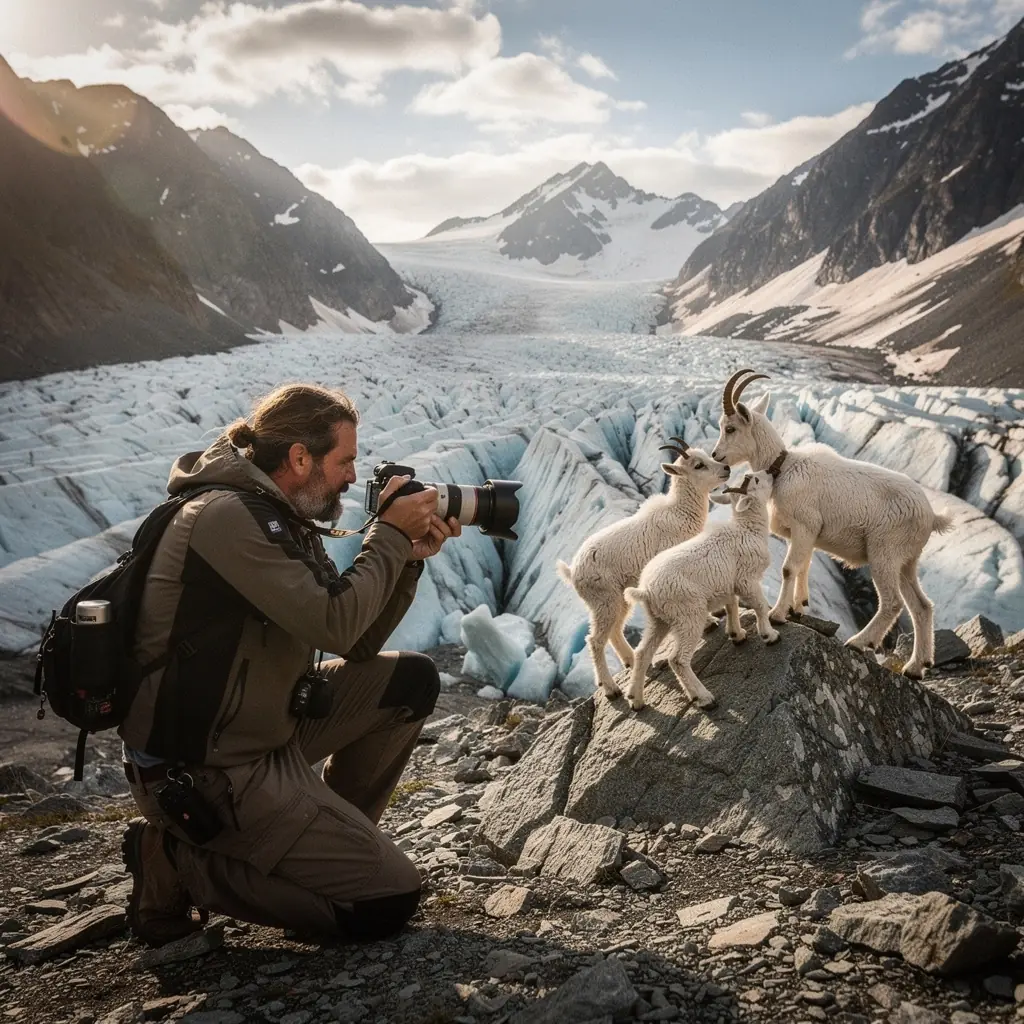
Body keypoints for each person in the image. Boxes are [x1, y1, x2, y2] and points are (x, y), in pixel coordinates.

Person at [118, 383, 461, 947]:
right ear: (299, 458)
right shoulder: (227, 517)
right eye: (345, 460)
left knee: (410, 681)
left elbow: (356, 642)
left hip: (263, 727)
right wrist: (390, 535)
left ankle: (321, 848)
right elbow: (336, 623)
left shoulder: (278, 514)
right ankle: (178, 861)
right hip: (206, 768)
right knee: (385, 903)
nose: (354, 476)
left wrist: (408, 561)